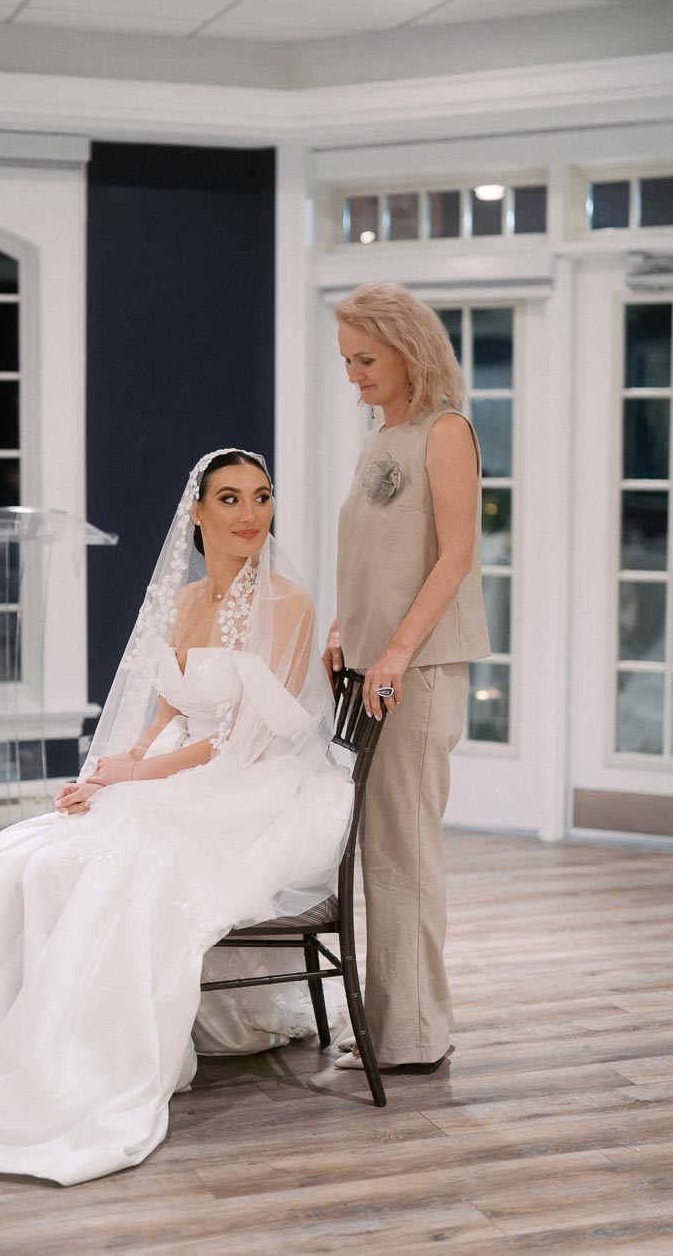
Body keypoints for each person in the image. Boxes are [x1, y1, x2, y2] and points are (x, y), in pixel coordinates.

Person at [0, 449, 353, 1186]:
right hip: (186, 769)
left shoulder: (287, 603)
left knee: (126, 858)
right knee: (24, 848)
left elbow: (238, 741)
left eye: (261, 497)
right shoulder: (188, 604)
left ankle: (76, 1059)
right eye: (229, 499)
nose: (249, 515)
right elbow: (170, 714)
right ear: (196, 513)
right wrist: (104, 773)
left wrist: (136, 775)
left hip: (250, 785)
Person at [324, 284, 490, 1074]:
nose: (352, 374)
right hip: (371, 667)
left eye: (365, 358)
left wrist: (392, 653)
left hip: (413, 674)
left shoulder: (444, 431)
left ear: (407, 349)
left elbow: (455, 557)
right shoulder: (379, 434)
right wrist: (343, 629)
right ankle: (392, 1025)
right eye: (346, 360)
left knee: (404, 853)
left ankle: (415, 1036)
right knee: (381, 851)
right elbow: (374, 554)